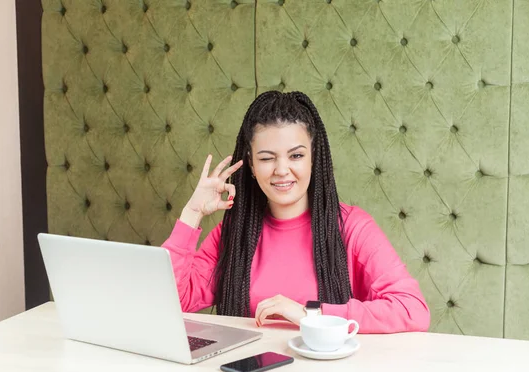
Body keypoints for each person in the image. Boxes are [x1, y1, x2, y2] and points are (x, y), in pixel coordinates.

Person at [161, 90, 430, 333]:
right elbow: (173, 302)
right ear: (252, 167)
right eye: (267, 158)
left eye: (296, 156)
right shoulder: (233, 234)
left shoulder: (352, 227)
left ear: (314, 158)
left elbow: (412, 309)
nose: (281, 169)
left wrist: (312, 315)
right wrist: (192, 212)